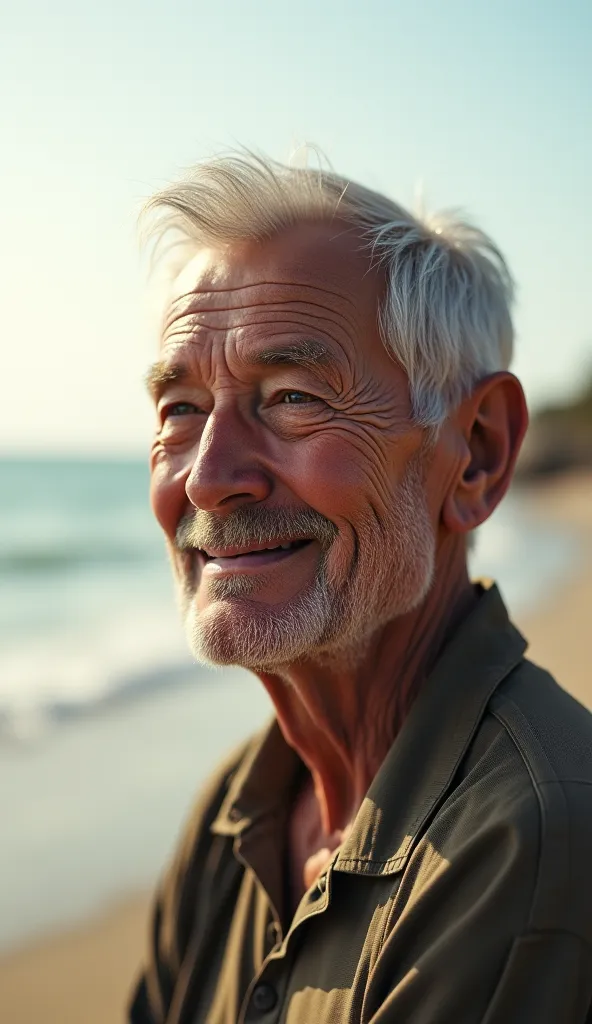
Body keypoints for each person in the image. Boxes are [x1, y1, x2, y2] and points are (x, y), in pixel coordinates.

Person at [129, 153, 592, 1023]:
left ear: (477, 454)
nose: (205, 479)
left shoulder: (533, 841)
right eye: (180, 410)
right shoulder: (241, 811)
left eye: (293, 396)